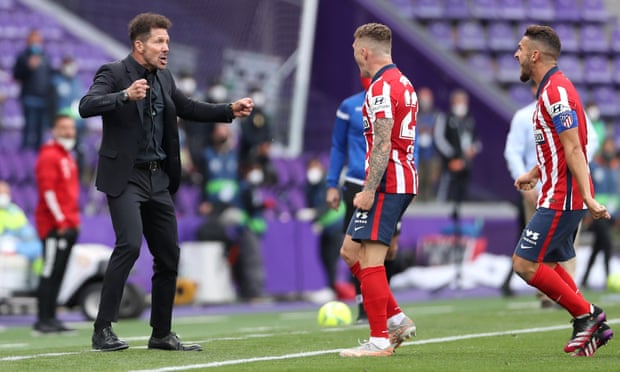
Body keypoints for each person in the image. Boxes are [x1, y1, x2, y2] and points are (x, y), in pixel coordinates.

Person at [78, 12, 253, 352]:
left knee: (169, 255)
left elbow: (188, 107)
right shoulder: (114, 73)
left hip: (158, 179)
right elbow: (86, 106)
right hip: (126, 177)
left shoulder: (164, 77)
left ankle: (161, 333)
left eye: (168, 42)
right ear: (139, 44)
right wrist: (124, 96)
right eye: (159, 41)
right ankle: (102, 329)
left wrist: (228, 109)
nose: (166, 48)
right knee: (128, 245)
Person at [512, 24, 612, 357]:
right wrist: (535, 172)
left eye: (521, 49)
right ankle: (586, 319)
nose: (516, 54)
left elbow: (574, 148)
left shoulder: (556, 92)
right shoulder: (553, 90)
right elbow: (559, 146)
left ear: (535, 55)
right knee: (550, 266)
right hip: (557, 192)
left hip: (563, 197)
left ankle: (587, 315)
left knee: (524, 264)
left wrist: (587, 197)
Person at [338, 23, 417, 357]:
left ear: (364, 51)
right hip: (399, 179)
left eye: (355, 47)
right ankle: (396, 317)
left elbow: (383, 143)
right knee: (349, 251)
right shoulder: (403, 82)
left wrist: (369, 189)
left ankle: (380, 339)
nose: (354, 52)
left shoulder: (382, 88)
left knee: (370, 259)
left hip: (387, 182)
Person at [502, 81, 599, 306]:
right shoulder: (524, 116)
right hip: (536, 189)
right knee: (536, 248)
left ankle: (572, 296)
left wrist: (573, 168)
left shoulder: (569, 109)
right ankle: (550, 295)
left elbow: (586, 144)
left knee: (566, 246)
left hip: (566, 186)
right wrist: (525, 180)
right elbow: (513, 151)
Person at [325, 75, 403, 323]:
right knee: (355, 247)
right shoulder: (350, 106)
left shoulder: (394, 103)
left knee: (388, 249)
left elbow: (409, 144)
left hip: (388, 184)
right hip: (357, 184)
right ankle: (363, 306)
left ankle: (384, 304)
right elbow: (338, 146)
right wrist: (331, 184)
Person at [33, 114, 80, 334]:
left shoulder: (68, 156)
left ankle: (52, 317)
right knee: (50, 271)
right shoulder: (50, 155)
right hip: (54, 225)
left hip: (68, 222)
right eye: (63, 128)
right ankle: (43, 319)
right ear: (54, 130)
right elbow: (48, 192)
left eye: (71, 128)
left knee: (59, 272)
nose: (68, 132)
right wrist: (60, 220)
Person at [299, 157, 345, 300]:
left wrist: (316, 215)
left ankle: (332, 288)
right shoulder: (310, 186)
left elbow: (331, 205)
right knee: (323, 256)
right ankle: (330, 286)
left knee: (331, 258)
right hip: (324, 227)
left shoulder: (329, 183)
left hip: (336, 225)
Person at [581, 138, 619, 289]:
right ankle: (608, 276)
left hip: (611, 215)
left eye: (611, 148)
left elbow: (616, 193)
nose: (609, 151)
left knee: (597, 247)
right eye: (607, 147)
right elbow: (586, 190)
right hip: (596, 214)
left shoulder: (616, 169)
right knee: (608, 244)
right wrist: (587, 214)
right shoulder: (594, 167)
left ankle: (584, 278)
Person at [434, 88, 481, 204]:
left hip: (466, 161)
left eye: (464, 102)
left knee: (463, 188)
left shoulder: (470, 119)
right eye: (459, 102)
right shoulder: (445, 118)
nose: (462, 105)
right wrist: (453, 155)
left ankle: (460, 209)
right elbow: (439, 139)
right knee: (447, 185)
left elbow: (477, 140)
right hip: (450, 161)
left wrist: (473, 149)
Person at [12, 28, 54, 151]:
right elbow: (16, 75)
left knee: (41, 130)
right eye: (33, 39)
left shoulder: (45, 56)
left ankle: (38, 153)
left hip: (44, 98)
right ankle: (24, 154)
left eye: (38, 39)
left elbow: (49, 75)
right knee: (29, 128)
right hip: (29, 98)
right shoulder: (22, 56)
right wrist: (28, 67)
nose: (36, 42)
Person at [415, 87, 444, 202]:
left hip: (432, 153)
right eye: (423, 99)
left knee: (431, 179)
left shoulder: (437, 115)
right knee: (418, 179)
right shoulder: (415, 114)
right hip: (417, 154)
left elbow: (439, 134)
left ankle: (429, 201)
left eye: (427, 99)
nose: (425, 102)